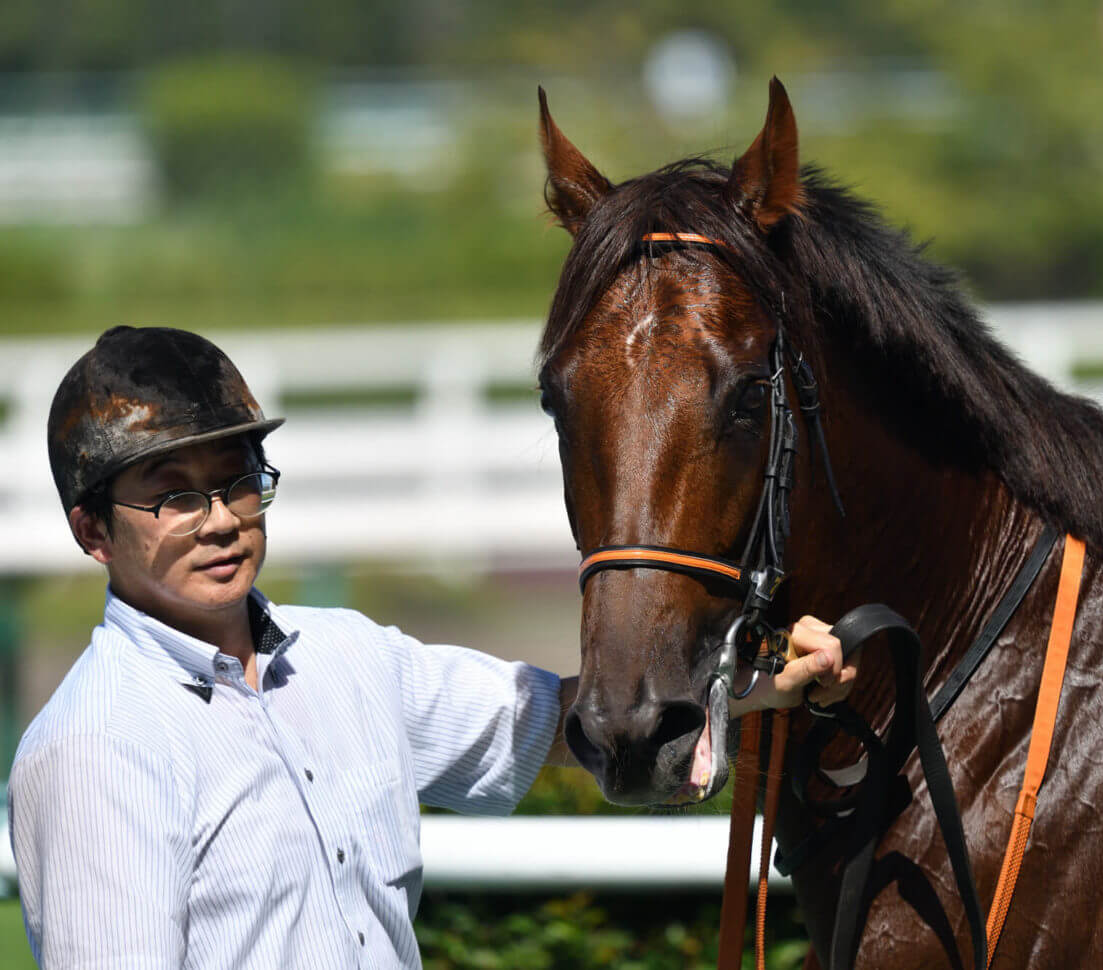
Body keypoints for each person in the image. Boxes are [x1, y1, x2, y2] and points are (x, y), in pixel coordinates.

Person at [6, 325, 854, 968]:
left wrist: (765, 672)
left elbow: (546, 721)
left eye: (236, 481)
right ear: (93, 530)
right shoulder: (94, 750)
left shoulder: (345, 657)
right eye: (175, 497)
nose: (223, 519)